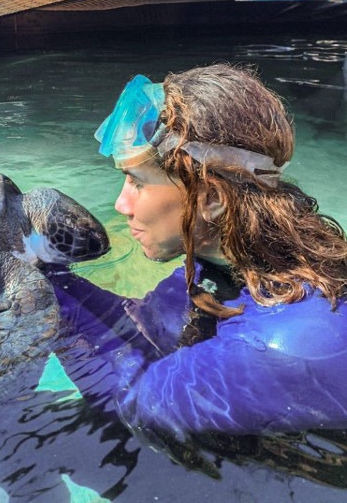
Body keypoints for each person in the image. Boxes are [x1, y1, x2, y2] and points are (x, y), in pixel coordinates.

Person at [47, 63, 347, 444]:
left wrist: (43, 308)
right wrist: (46, 279)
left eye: (137, 183)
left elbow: (133, 406)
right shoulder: (237, 262)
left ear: (212, 199)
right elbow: (145, 326)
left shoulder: (280, 345)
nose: (121, 204)